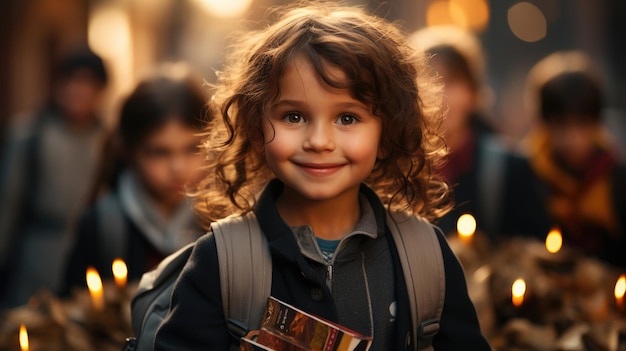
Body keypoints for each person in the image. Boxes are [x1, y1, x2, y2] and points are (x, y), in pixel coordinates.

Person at [153, 4, 490, 350]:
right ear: (256, 128)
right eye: (294, 116)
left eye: (347, 118)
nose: (319, 142)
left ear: (387, 132)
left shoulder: (425, 257)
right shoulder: (223, 260)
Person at [62, 66, 208, 292]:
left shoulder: (222, 218)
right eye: (159, 152)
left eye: (192, 148)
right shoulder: (102, 225)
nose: (178, 168)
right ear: (129, 152)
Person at [408, 26, 549, 242]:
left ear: (473, 93)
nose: (440, 96)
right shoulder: (398, 170)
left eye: (451, 82)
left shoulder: (509, 168)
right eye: (429, 82)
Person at [0, 46, 109, 309]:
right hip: (37, 255)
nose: (78, 91)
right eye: (72, 81)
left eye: (87, 83)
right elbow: (8, 205)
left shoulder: (108, 141)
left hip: (91, 258)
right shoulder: (29, 136)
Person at [523, 51, 626, 268]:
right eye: (561, 126)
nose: (573, 139)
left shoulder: (616, 178)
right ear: (544, 123)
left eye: (582, 125)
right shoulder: (527, 173)